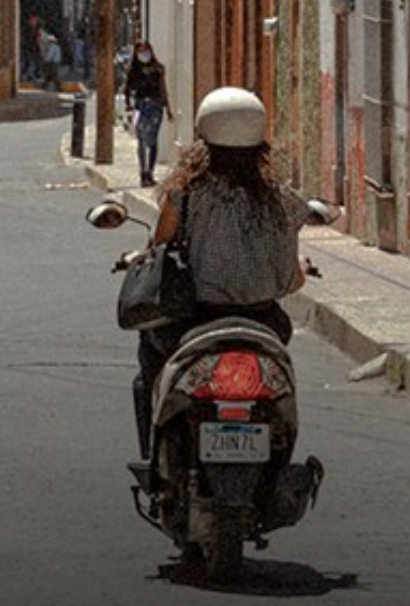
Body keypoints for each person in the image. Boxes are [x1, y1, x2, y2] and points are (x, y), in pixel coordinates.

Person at [131, 87, 309, 459]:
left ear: (202, 140)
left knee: (151, 352)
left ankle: (153, 453)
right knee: (278, 384)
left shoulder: (186, 194)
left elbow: (158, 249)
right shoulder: (283, 201)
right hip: (264, 323)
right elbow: (292, 279)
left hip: (196, 321)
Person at [122, 39, 168, 185]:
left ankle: (150, 172)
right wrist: (128, 107)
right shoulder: (133, 70)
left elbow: (162, 87)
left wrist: (168, 106)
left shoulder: (158, 68)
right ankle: (143, 172)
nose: (144, 54)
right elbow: (127, 90)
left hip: (156, 106)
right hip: (140, 107)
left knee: (153, 140)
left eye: (146, 50)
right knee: (141, 140)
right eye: (140, 51)